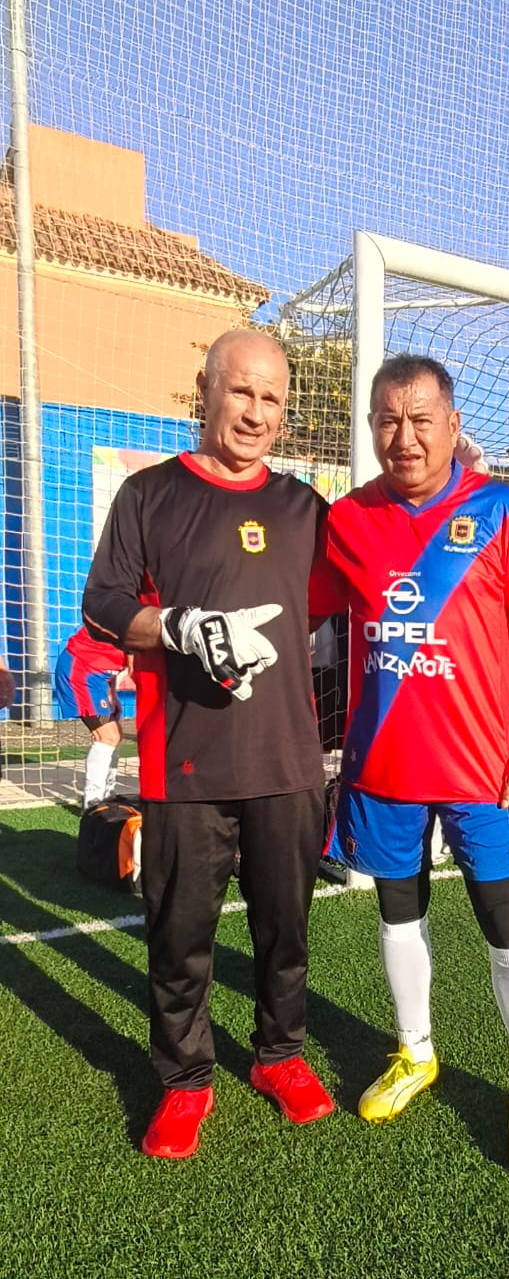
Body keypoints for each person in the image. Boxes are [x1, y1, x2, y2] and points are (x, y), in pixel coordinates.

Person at [309, 353, 509, 1177]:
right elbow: (293, 609)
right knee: (396, 912)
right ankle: (415, 1051)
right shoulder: (347, 520)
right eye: (388, 419)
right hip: (382, 764)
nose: (404, 436)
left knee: (504, 920)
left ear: (453, 427)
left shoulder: (501, 511)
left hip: (483, 768)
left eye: (421, 419)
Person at [82, 328, 335, 1158]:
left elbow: (380, 586)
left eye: (271, 399)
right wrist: (178, 627)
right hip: (183, 763)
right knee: (179, 936)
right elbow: (104, 604)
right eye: (241, 392)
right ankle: (185, 1079)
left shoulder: (306, 510)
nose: (256, 412)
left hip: (289, 764)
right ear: (204, 389)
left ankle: (278, 1056)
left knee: (284, 932)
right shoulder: (149, 497)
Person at [53, 625, 134, 807]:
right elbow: (132, 655)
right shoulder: (135, 610)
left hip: (98, 675)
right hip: (80, 671)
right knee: (107, 736)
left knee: (115, 736)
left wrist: (112, 692)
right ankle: (93, 802)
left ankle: (107, 795)